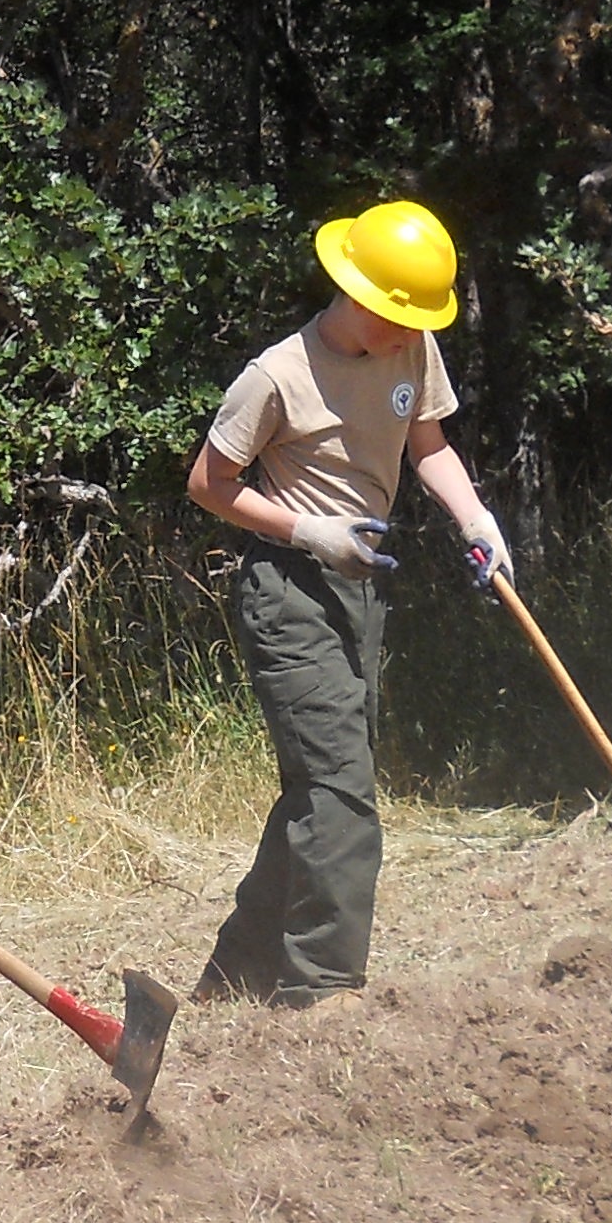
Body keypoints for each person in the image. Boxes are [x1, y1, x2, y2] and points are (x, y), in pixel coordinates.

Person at [182, 202, 511, 1007]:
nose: (411, 333)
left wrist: (474, 516)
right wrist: (308, 531)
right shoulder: (275, 377)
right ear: (357, 292)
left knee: (319, 789)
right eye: (400, 317)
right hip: (288, 586)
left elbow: (427, 444)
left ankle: (237, 977)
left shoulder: (412, 348)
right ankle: (321, 991)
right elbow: (207, 485)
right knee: (342, 793)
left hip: (359, 592)